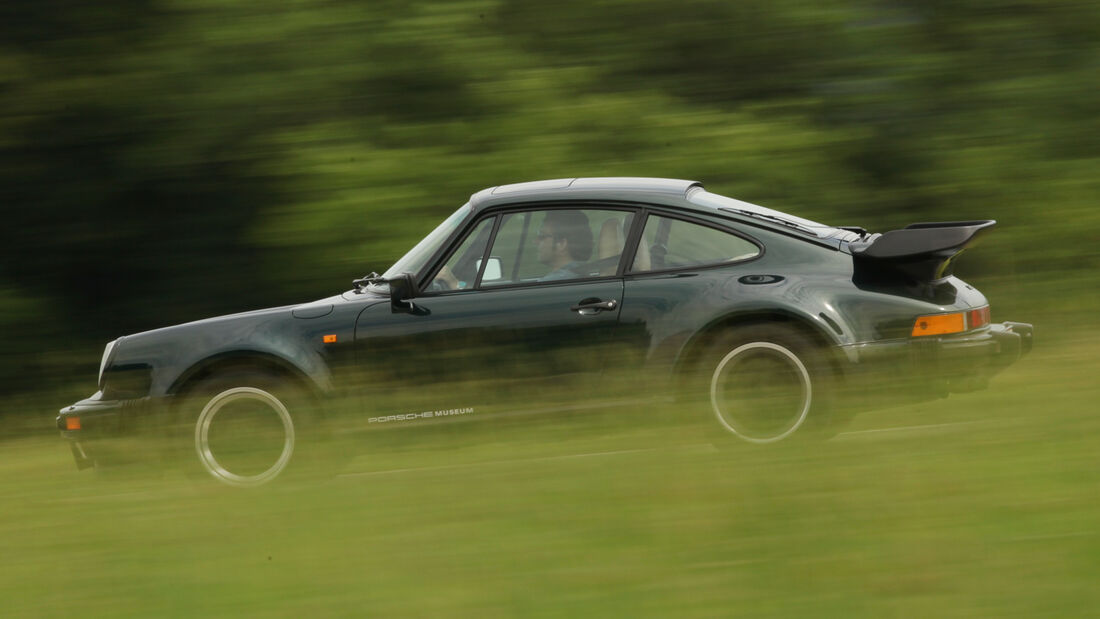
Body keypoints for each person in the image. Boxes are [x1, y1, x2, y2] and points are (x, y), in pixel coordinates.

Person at [537, 210, 593, 280]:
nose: (536, 241)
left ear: (561, 244)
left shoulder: (552, 283)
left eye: (542, 236)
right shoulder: (581, 274)